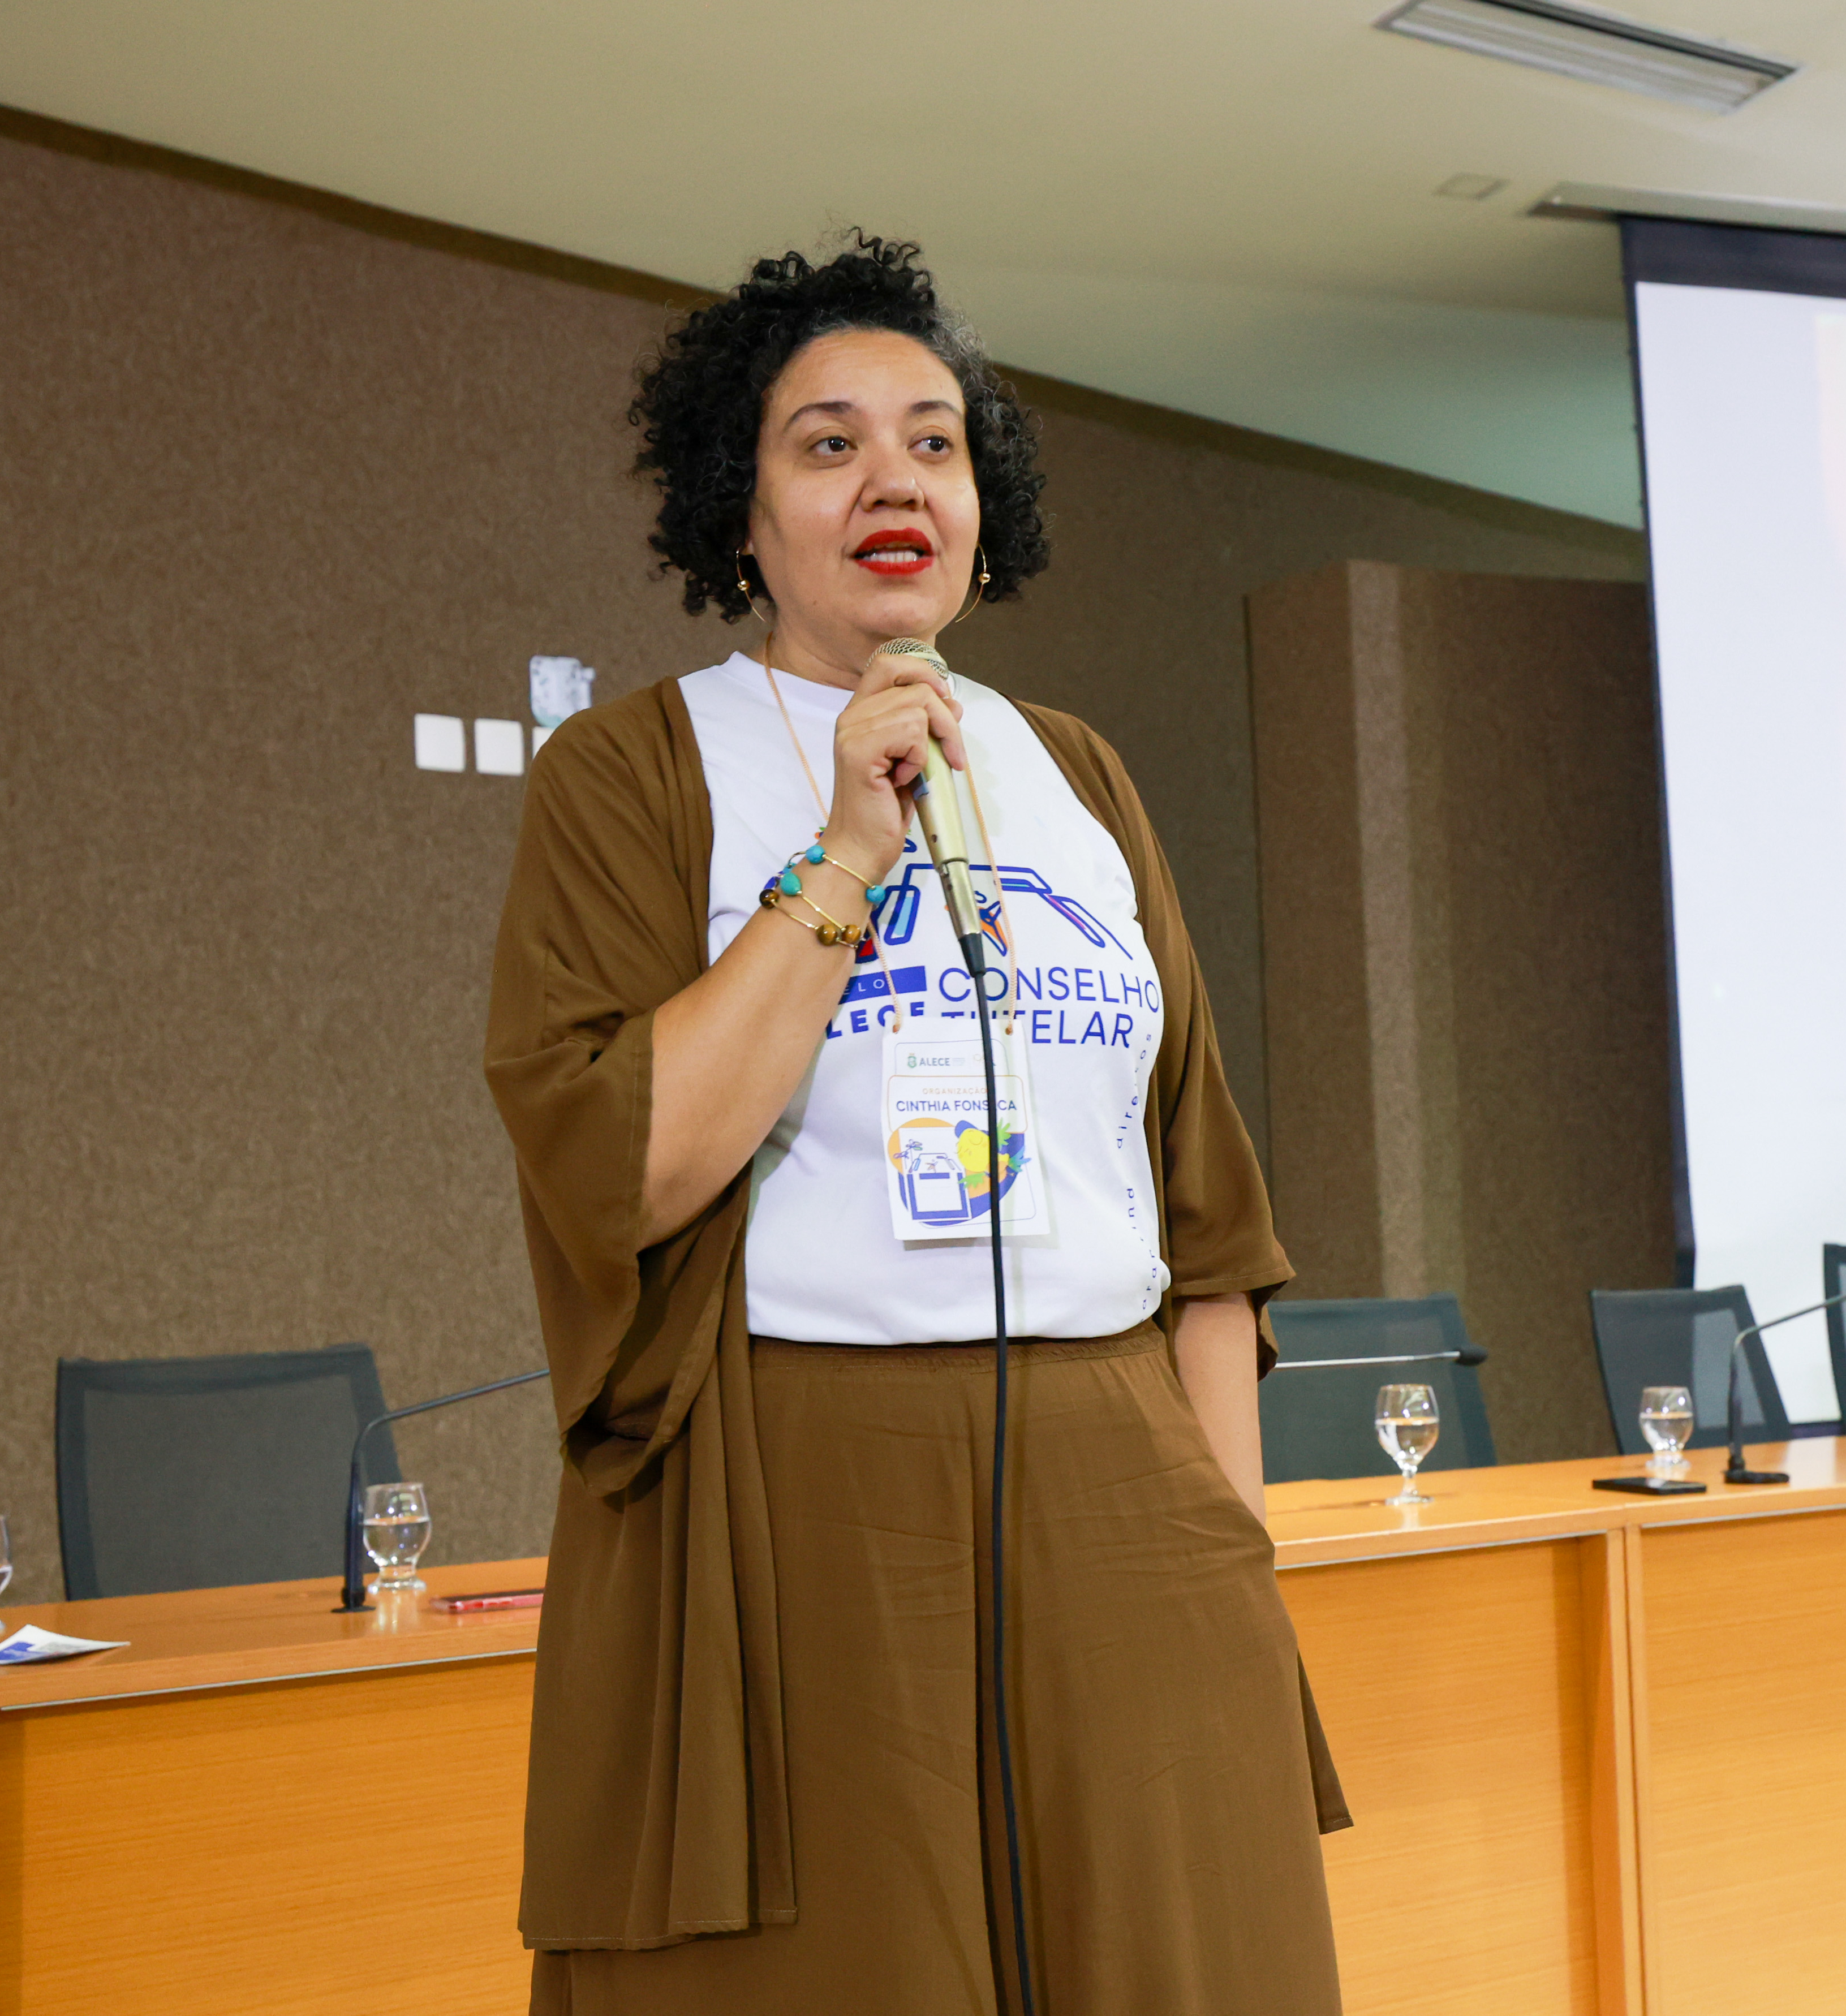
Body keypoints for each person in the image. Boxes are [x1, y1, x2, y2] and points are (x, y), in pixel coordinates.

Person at [485, 232, 1345, 2016]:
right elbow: (621, 1166)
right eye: (828, 442)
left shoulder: (1075, 769)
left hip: (1122, 1481)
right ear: (739, 511)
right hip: (804, 1490)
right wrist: (847, 854)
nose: (894, 479)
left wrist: (1225, 1549)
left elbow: (1205, 1216)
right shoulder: (635, 771)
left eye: (933, 441)